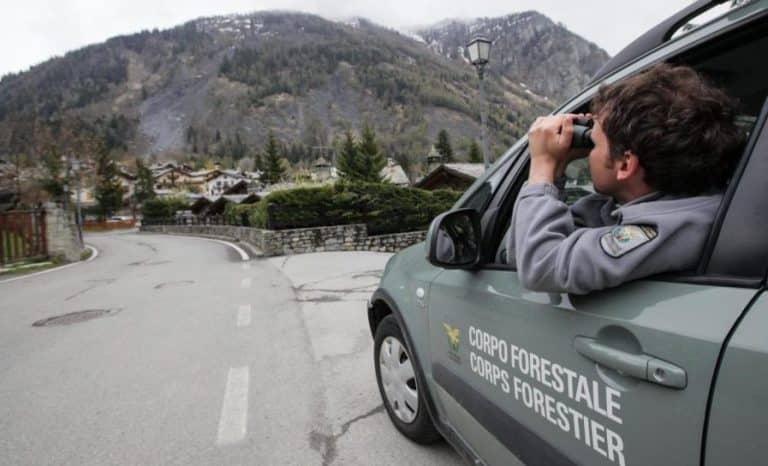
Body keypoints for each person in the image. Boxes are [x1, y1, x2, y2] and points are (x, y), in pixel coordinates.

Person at [504, 63, 744, 294]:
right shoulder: (633, 206)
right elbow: (521, 254)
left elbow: (542, 265)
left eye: (594, 143)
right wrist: (557, 170)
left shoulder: (678, 226)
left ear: (626, 164)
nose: (588, 153)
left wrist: (543, 164)